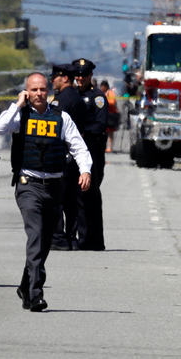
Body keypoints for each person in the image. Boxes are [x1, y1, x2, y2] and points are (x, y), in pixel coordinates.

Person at [0, 72, 92, 312]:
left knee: (45, 241)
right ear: (27, 91)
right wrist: (18, 103)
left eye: (42, 90)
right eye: (34, 90)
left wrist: (85, 171)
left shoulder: (61, 118)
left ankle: (25, 286)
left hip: (55, 187)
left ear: (49, 91)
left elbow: (78, 146)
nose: (39, 94)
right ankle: (37, 294)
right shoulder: (20, 116)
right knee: (36, 236)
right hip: (29, 185)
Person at [48, 63, 86, 251]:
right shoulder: (78, 98)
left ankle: (58, 237)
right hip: (74, 156)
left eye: (54, 77)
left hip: (61, 155)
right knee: (71, 200)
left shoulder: (60, 100)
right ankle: (71, 238)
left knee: (56, 198)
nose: (51, 81)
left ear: (64, 78)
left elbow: (55, 127)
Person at [73, 58, 108, 251]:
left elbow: (101, 125)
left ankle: (94, 240)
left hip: (92, 150)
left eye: (84, 75)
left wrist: (82, 132)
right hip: (74, 153)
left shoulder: (97, 97)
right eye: (77, 74)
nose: (80, 78)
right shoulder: (70, 95)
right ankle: (78, 236)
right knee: (74, 195)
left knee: (91, 194)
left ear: (91, 75)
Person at [102, 80, 119, 153]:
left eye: (103, 86)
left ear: (106, 86)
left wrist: (105, 101)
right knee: (103, 131)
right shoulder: (101, 93)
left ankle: (110, 146)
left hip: (111, 114)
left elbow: (113, 102)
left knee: (110, 132)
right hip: (104, 114)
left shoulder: (110, 93)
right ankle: (103, 146)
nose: (102, 88)